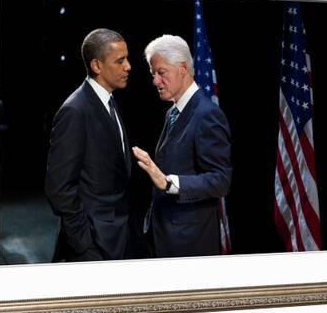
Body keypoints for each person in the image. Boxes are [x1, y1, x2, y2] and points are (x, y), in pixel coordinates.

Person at [132, 34, 232, 258]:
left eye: (161, 73)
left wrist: (169, 183)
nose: (155, 81)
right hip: (165, 236)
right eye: (153, 74)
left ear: (183, 68)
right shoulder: (172, 113)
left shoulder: (208, 114)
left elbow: (220, 180)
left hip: (190, 245)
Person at [45, 28, 132, 262]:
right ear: (96, 66)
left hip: (116, 238)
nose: (128, 67)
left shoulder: (108, 102)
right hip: (93, 245)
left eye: (127, 59)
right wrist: (85, 245)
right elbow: (59, 189)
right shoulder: (75, 110)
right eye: (120, 61)